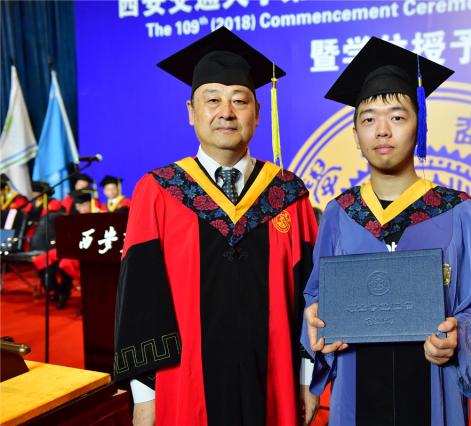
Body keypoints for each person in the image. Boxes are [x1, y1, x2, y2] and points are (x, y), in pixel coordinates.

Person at [113, 27, 318, 426]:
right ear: (191, 111)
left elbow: (311, 292)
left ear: (257, 112)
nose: (226, 112)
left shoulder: (287, 194)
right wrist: (145, 396)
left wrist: (306, 378)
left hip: (273, 383)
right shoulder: (159, 192)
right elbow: (139, 300)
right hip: (183, 386)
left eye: (239, 100)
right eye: (212, 100)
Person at [301, 37, 471, 425]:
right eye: (368, 119)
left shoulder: (458, 211)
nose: (382, 131)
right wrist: (316, 317)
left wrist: (458, 334)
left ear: (419, 125)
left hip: (432, 381)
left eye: (397, 117)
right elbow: (316, 293)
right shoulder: (340, 213)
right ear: (355, 135)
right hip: (357, 381)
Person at [33, 189, 91, 308]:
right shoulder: (71, 218)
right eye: (79, 205)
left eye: (85, 204)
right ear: (76, 206)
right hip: (70, 248)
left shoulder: (98, 217)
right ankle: (55, 289)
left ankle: (64, 292)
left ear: (90, 204)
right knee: (42, 259)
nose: (83, 208)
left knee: (64, 264)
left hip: (85, 251)